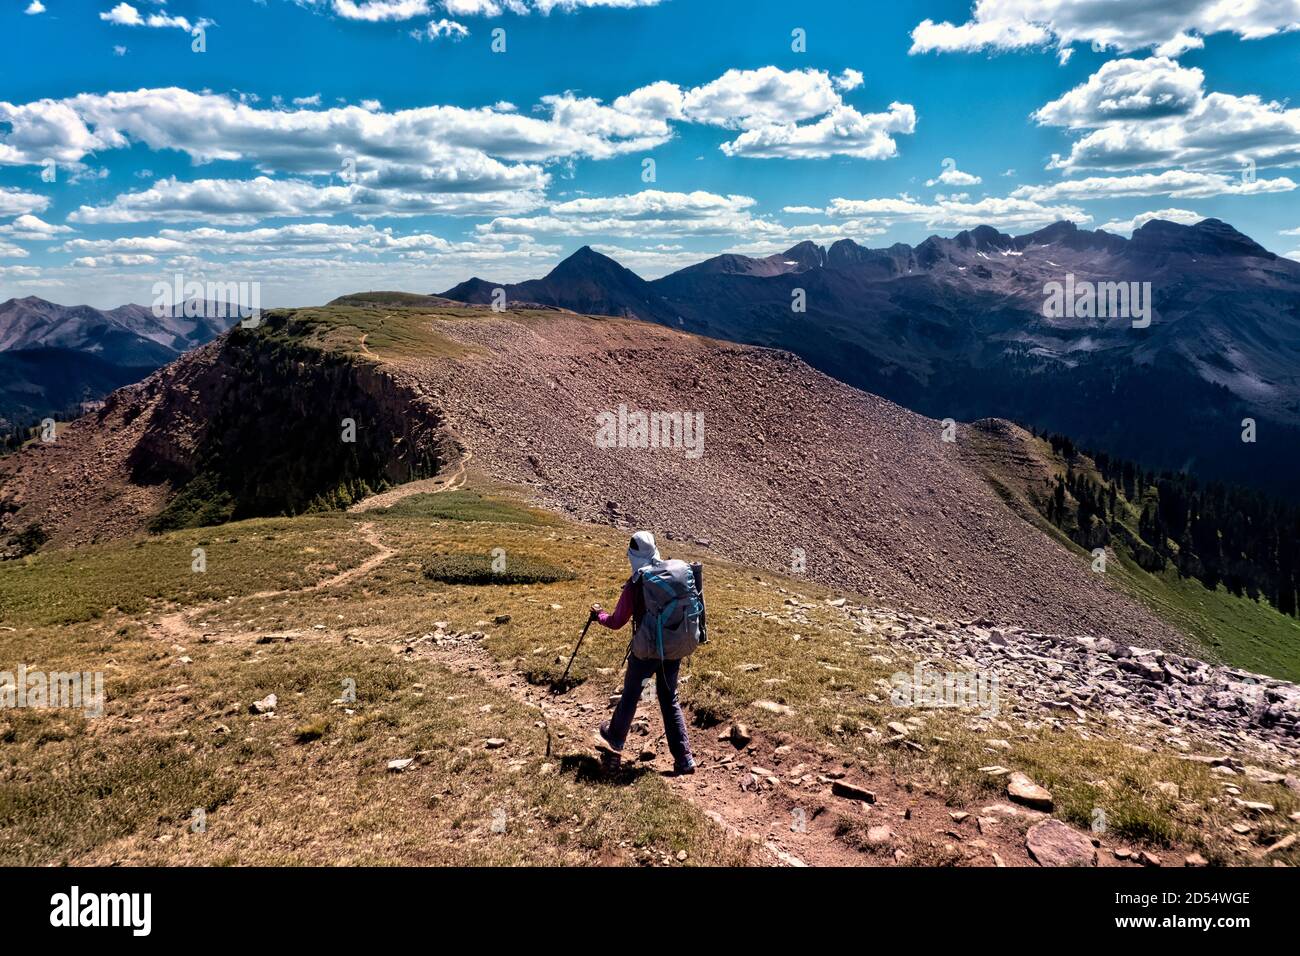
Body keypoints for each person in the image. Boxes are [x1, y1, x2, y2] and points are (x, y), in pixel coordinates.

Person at [590, 530, 698, 775]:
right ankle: (684, 759)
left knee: (631, 695)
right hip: (673, 647)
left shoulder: (636, 584)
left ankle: (615, 742)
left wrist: (599, 616)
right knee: (669, 698)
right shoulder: (673, 575)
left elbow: (617, 621)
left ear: (632, 557)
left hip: (646, 650)